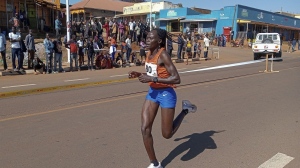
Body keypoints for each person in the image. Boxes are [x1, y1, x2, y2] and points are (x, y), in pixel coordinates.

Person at [128, 28, 197, 168]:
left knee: (167, 134)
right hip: (153, 92)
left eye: (150, 38)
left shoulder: (163, 54)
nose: (147, 40)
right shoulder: (149, 53)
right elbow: (153, 72)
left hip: (166, 93)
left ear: (158, 41)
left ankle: (185, 110)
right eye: (146, 37)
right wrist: (139, 74)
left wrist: (152, 78)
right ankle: (155, 163)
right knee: (144, 128)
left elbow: (176, 78)